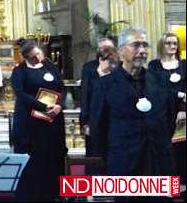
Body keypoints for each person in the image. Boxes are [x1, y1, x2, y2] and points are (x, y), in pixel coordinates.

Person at [91, 26, 174, 177]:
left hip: (158, 163)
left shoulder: (159, 81)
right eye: (136, 45)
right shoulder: (105, 85)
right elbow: (98, 129)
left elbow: (169, 119)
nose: (142, 50)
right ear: (121, 51)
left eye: (145, 46)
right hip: (123, 163)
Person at [11, 40, 67, 201]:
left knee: (51, 158)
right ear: (26, 57)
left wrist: (59, 105)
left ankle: (53, 194)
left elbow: (61, 87)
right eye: (34, 56)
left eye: (39, 53)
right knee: (33, 162)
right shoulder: (20, 70)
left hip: (52, 121)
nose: (38, 57)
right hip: (30, 123)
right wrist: (43, 106)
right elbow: (20, 94)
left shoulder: (50, 66)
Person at [146, 32, 186, 188]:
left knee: (181, 149)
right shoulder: (154, 65)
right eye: (168, 43)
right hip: (161, 113)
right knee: (163, 149)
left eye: (175, 43)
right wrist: (178, 94)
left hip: (182, 114)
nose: (172, 46)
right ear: (162, 45)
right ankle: (167, 186)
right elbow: (155, 90)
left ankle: (182, 186)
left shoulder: (183, 65)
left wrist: (183, 109)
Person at [79, 37, 115, 156]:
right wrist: (85, 121)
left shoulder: (119, 66)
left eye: (109, 48)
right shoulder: (89, 67)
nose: (107, 51)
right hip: (94, 117)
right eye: (104, 48)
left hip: (113, 118)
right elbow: (84, 95)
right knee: (95, 154)